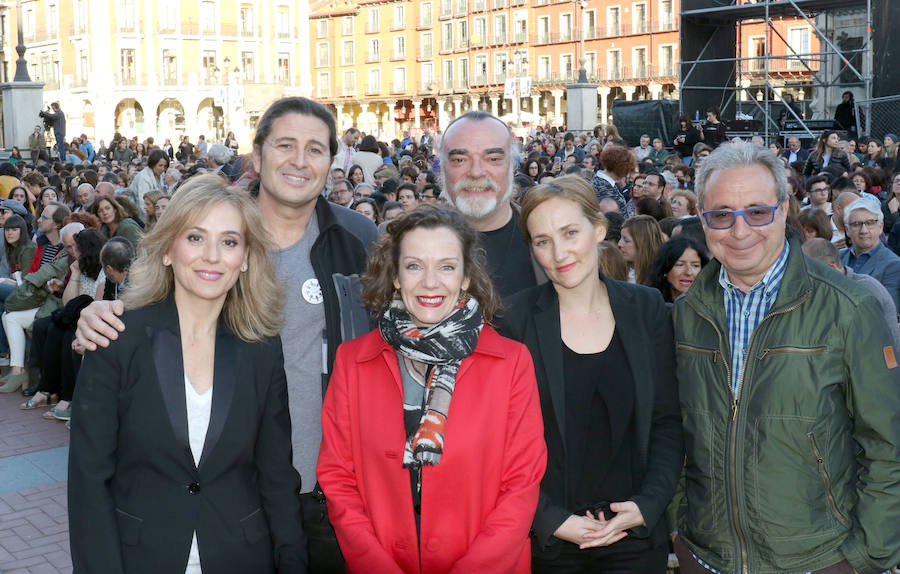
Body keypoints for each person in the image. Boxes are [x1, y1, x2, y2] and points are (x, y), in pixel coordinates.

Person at [75, 97, 378, 574]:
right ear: (257, 156)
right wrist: (97, 316)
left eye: (315, 149)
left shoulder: (361, 242)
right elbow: (91, 478)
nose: (300, 161)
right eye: (285, 145)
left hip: (327, 495)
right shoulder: (123, 336)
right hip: (178, 529)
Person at [671, 140, 900, 574]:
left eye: (757, 212)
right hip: (706, 558)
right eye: (722, 214)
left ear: (783, 210)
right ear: (702, 219)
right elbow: (676, 435)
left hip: (820, 560)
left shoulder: (848, 308)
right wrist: (680, 533)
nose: (740, 231)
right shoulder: (685, 315)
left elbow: (887, 445)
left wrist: (863, 558)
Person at [68, 175, 307, 573]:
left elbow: (277, 476)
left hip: (243, 557)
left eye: (229, 241)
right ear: (167, 250)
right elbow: (89, 483)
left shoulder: (261, 349)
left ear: (245, 257)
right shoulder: (115, 340)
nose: (212, 255)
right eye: (195, 237)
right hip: (140, 558)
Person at [317, 206, 547, 574]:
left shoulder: (511, 362)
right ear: (394, 276)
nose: (429, 282)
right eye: (413, 266)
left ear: (466, 278)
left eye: (446, 266)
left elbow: (521, 485)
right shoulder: (352, 362)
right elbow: (338, 479)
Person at [495, 176, 681, 572]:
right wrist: (549, 518)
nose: (559, 252)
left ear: (598, 229)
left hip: (633, 535)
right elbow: (499, 439)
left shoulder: (646, 307)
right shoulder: (513, 320)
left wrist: (647, 504)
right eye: (543, 241)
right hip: (552, 542)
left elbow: (667, 419)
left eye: (570, 233)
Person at [439, 111, 547, 299]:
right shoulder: (409, 245)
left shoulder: (547, 240)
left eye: (493, 159)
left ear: (512, 168)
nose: (476, 172)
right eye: (460, 160)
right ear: (442, 168)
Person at [802, 237, 900, 351]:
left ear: (830, 269)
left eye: (808, 271)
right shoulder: (826, 290)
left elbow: (867, 349)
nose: (805, 278)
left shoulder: (864, 290)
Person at [839, 197, 900, 310]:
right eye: (857, 224)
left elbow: (887, 311)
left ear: (880, 227)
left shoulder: (894, 265)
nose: (864, 230)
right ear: (847, 230)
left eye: (870, 223)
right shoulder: (837, 257)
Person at [646, 235, 708, 303]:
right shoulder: (650, 303)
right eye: (680, 265)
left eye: (695, 266)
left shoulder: (711, 306)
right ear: (665, 269)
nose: (688, 272)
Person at [618, 215, 665, 284]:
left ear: (643, 243)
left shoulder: (660, 278)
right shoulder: (621, 271)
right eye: (621, 238)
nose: (619, 244)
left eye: (626, 240)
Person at [130, 149, 169, 214]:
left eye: (165, 166)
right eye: (160, 165)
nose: (163, 169)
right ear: (153, 164)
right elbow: (143, 204)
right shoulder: (143, 178)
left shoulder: (159, 175)